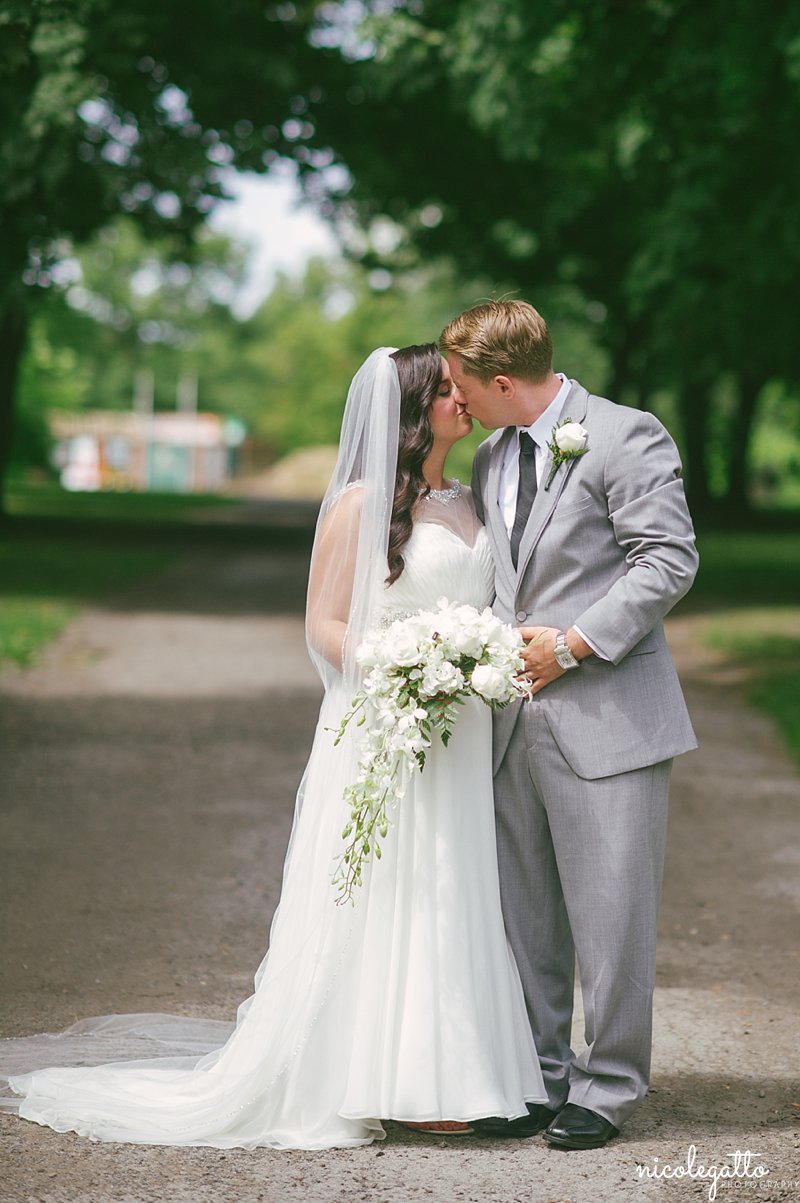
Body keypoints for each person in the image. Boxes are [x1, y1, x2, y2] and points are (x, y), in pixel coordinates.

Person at [0, 345, 547, 1149]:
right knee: (393, 889)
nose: (462, 398)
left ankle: (451, 1068)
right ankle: (377, 1076)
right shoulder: (360, 506)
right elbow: (323, 624)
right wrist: (403, 665)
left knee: (451, 883)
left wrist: (477, 660)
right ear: (410, 410)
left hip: (461, 730)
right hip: (387, 720)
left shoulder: (471, 499)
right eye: (446, 390)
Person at [440, 301, 698, 1150]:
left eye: (466, 386)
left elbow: (669, 557)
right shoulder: (487, 454)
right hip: (510, 718)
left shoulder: (626, 434)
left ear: (504, 381)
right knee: (525, 916)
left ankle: (610, 1083)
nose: (459, 400)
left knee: (612, 914)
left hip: (609, 714)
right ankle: (539, 1077)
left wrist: (576, 643)